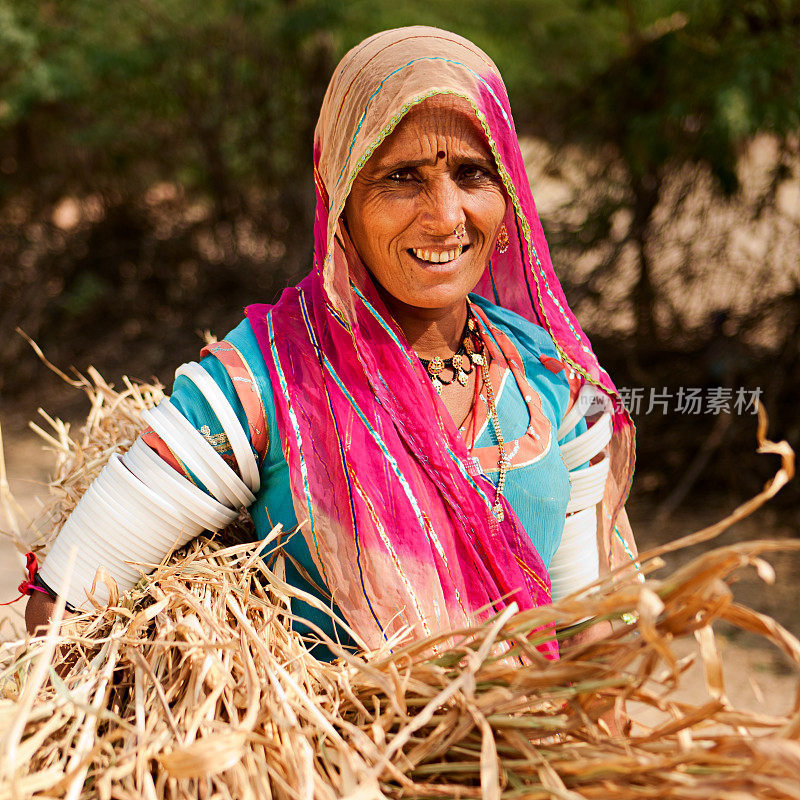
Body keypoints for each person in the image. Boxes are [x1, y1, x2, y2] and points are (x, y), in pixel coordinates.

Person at [24, 26, 637, 660]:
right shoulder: (263, 382)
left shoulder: (553, 383)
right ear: (340, 197)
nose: (447, 215)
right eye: (402, 177)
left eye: (472, 173)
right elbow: (68, 599)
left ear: (507, 195)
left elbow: (587, 633)